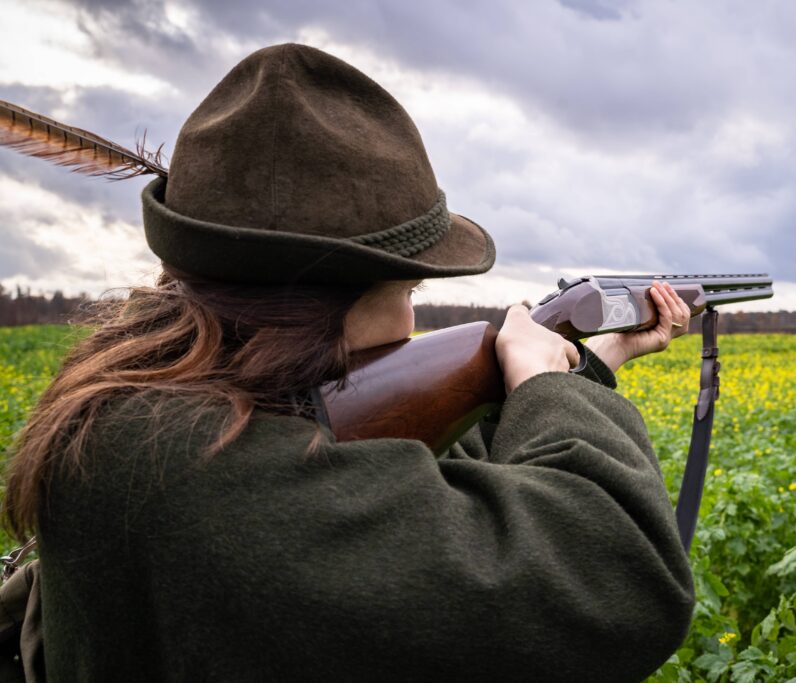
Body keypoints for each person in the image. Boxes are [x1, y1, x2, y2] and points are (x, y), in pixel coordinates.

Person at [2, 44, 694, 682]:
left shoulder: (148, 403)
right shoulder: (206, 477)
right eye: (409, 293)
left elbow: (402, 468)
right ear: (319, 310)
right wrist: (546, 384)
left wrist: (583, 367)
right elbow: (619, 581)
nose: (412, 321)